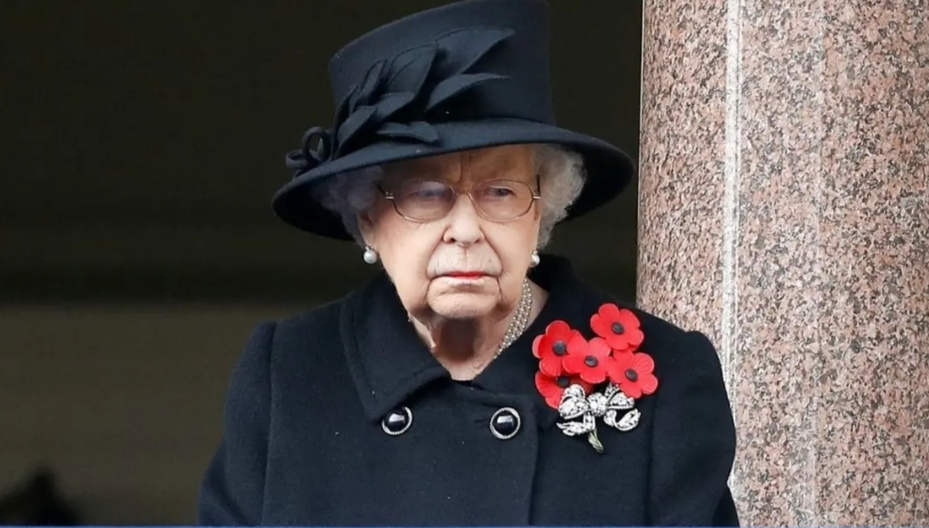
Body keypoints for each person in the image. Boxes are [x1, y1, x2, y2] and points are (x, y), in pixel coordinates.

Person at [197, 0, 738, 525]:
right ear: (367, 218)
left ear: (541, 211)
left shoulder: (667, 375)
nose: (465, 229)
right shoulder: (291, 375)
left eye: (500, 191)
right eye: (425, 193)